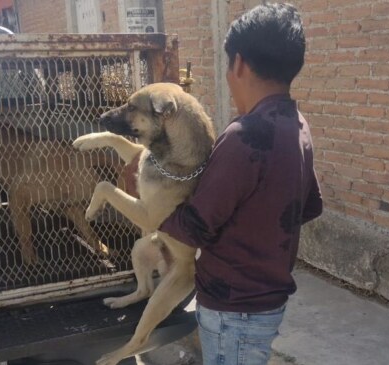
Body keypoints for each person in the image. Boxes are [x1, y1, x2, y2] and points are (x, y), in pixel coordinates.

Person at [159, 3, 323, 365]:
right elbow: (310, 206)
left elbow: (196, 227)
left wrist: (150, 206)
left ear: (239, 64)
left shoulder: (244, 136)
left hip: (234, 310)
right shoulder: (297, 124)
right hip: (267, 299)